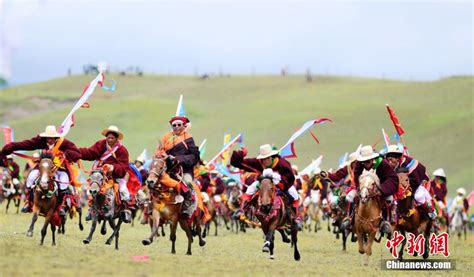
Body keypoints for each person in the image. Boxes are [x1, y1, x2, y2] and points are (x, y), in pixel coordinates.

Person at [1, 125, 81, 213]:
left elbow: (76, 152)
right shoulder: (40, 141)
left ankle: (63, 205)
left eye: (52, 138)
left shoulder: (63, 143)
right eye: (48, 138)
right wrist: (11, 147)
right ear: (45, 137)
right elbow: (25, 144)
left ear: (55, 137)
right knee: (30, 178)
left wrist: (65, 155)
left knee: (64, 182)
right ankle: (28, 202)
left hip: (59, 169)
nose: (50, 140)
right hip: (42, 168)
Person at [230, 144, 301, 226]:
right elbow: (237, 163)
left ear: (271, 156)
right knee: (250, 189)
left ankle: (295, 217)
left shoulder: (282, 163)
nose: (265, 161)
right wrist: (241, 153)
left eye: (267, 158)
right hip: (263, 182)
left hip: (281, 183)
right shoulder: (258, 162)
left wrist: (280, 182)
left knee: (294, 195)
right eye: (263, 158)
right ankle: (243, 212)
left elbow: (290, 177)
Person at [80, 125, 132, 223]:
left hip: (115, 176)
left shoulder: (122, 150)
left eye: (112, 138)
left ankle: (125, 210)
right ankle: (91, 210)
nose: (110, 139)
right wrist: (77, 152)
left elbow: (124, 167)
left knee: (123, 191)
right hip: (100, 175)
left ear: (116, 138)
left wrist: (112, 168)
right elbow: (90, 153)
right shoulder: (100, 144)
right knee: (92, 189)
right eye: (108, 137)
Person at [157, 115, 200, 217]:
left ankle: (188, 205)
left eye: (179, 125)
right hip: (168, 168)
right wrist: (163, 156)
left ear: (184, 126)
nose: (176, 127)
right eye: (174, 125)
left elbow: (195, 156)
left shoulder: (188, 138)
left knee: (187, 182)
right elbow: (159, 152)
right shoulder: (165, 138)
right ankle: (151, 206)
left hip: (184, 169)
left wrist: (178, 159)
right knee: (154, 180)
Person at [351, 145, 399, 234]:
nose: (365, 162)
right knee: (350, 197)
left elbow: (392, 178)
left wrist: (382, 189)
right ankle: (350, 219)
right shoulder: (358, 164)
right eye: (364, 161)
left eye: (367, 160)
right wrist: (359, 188)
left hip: (381, 186)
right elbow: (356, 177)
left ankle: (385, 221)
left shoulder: (382, 163)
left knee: (389, 199)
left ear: (372, 159)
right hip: (363, 187)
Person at [384, 144, 436, 220]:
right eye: (388, 159)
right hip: (401, 186)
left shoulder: (409, 163)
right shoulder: (390, 166)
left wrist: (406, 188)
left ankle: (430, 211)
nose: (390, 162)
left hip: (418, 182)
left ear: (397, 158)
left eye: (391, 159)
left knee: (419, 196)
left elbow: (416, 177)